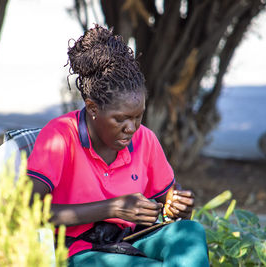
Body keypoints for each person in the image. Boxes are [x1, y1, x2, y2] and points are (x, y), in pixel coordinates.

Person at [27, 25, 209, 266]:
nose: (131, 128)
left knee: (190, 233)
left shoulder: (145, 140)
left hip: (131, 240)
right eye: (120, 119)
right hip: (80, 252)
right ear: (93, 108)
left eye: (137, 116)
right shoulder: (60, 137)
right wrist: (113, 208)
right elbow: (25, 210)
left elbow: (167, 200)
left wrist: (179, 207)